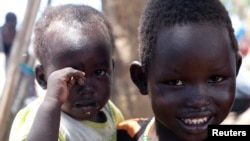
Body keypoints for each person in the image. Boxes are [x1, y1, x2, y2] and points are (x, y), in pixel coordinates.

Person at [117, 0, 242, 141]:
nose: (198, 101)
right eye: (176, 82)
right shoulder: (123, 135)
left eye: (215, 79)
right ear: (142, 79)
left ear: (235, 70)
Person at [9, 4, 124, 141]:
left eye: (98, 72)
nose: (86, 88)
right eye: (70, 78)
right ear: (43, 78)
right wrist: (52, 103)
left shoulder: (110, 113)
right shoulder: (37, 123)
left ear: (111, 68)